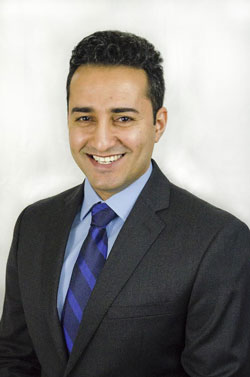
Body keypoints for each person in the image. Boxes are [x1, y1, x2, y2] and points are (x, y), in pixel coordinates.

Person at [0, 30, 250, 377]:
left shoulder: (218, 241)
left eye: (123, 118)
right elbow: (14, 358)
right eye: (84, 117)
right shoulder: (34, 224)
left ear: (157, 123)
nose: (101, 141)